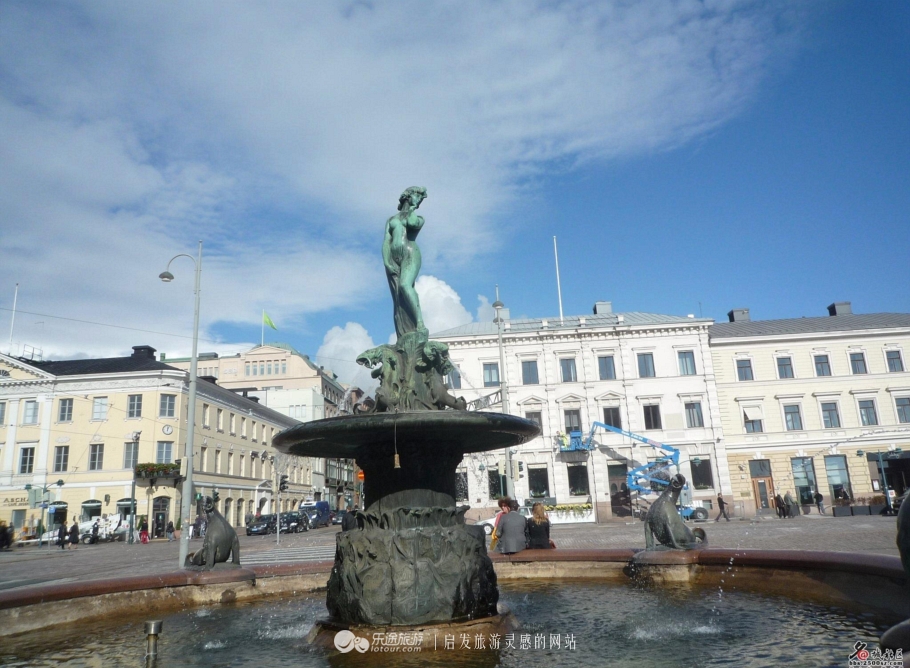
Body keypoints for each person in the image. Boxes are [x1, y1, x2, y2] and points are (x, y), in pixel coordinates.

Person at [383, 186, 428, 338]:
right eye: (417, 197)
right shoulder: (391, 220)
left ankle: (420, 323)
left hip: (410, 254)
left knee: (404, 285)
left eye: (421, 199)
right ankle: (403, 331)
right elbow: (386, 242)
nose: (420, 201)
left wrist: (413, 209)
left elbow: (412, 223)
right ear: (408, 196)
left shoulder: (417, 217)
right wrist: (387, 262)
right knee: (398, 297)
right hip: (393, 259)